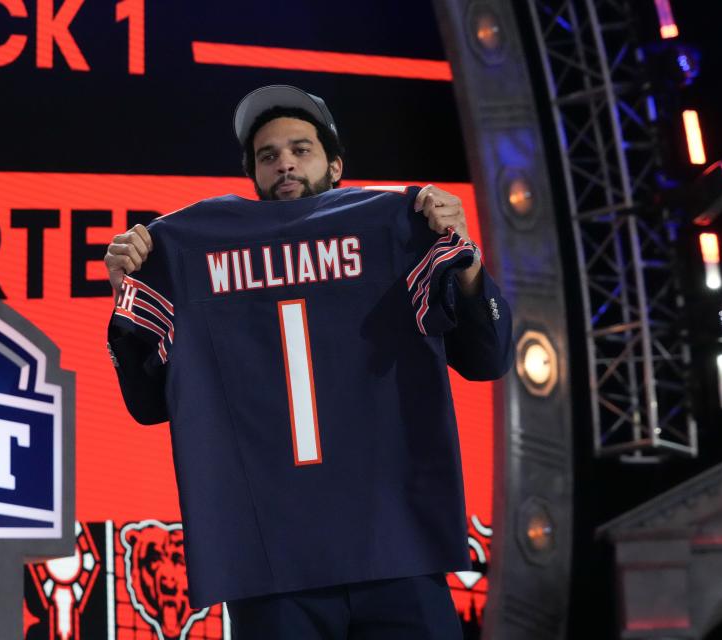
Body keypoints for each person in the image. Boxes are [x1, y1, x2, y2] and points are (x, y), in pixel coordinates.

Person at [104, 85, 513, 639]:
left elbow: (486, 359)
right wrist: (130, 292)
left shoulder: (398, 225)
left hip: (395, 552)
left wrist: (462, 257)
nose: (285, 163)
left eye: (301, 148)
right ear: (252, 175)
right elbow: (149, 406)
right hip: (271, 567)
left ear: (336, 164)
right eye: (267, 156)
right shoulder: (187, 248)